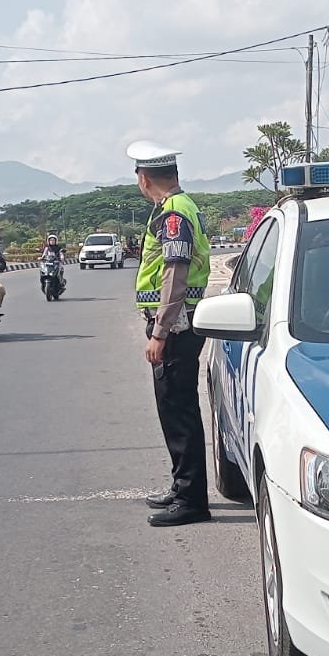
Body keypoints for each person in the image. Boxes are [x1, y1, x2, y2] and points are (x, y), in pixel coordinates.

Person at [128, 140, 214, 527]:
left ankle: (192, 499)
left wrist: (160, 331)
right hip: (179, 322)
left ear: (144, 179)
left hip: (177, 325)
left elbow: (174, 272)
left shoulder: (174, 213)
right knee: (174, 409)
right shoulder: (180, 207)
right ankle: (182, 489)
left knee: (179, 412)